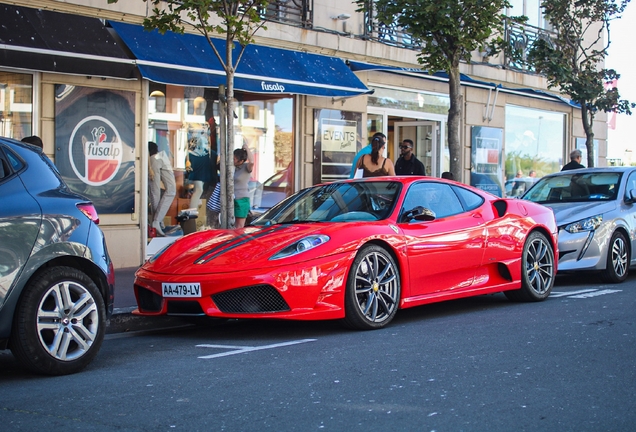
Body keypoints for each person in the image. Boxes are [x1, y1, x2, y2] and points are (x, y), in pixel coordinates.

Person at [148, 141, 176, 236]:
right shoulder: (164, 148)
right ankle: (157, 222)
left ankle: (157, 222)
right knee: (170, 190)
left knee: (155, 192)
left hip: (153, 158)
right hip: (160, 157)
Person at [233, 141, 255, 229]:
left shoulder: (246, 167)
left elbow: (252, 161)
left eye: (234, 159)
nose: (232, 160)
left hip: (241, 200)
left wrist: (246, 148)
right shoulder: (231, 167)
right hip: (231, 199)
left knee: (239, 226)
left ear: (241, 160)